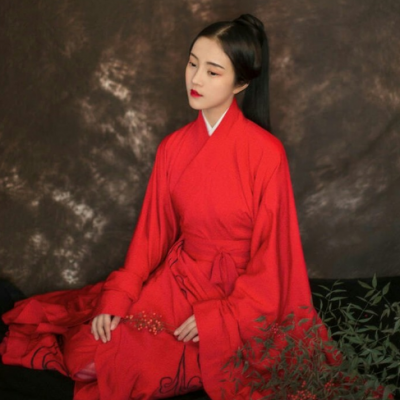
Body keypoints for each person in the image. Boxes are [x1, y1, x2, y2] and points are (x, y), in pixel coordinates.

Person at [0, 14, 328, 400]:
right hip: (181, 279)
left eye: (212, 71)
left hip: (238, 296)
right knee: (84, 357)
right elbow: (151, 235)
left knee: (132, 370)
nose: (196, 79)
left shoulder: (267, 154)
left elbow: (273, 259)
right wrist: (119, 296)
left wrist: (218, 318)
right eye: (192, 64)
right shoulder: (173, 148)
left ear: (241, 83)